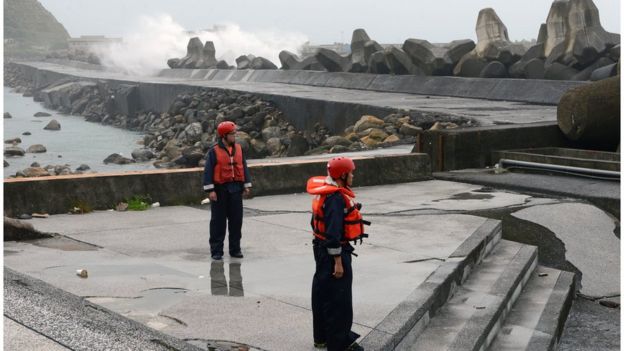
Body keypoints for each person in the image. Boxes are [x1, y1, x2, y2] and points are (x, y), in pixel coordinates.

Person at [307, 157, 369, 351]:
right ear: (342, 175)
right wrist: (338, 262)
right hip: (333, 253)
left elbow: (315, 224)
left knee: (322, 295)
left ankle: (322, 339)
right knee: (339, 300)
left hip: (320, 249)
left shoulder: (325, 192)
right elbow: (333, 234)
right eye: (351, 172)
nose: (353, 175)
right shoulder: (335, 198)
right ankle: (339, 343)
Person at [203, 121, 252, 261]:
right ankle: (216, 251)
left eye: (234, 134)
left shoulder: (238, 149)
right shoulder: (213, 151)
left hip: (236, 188)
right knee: (218, 222)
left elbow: (244, 167)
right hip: (220, 190)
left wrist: (246, 185)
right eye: (232, 134)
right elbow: (208, 171)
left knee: (236, 221)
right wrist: (210, 190)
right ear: (224, 136)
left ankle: (235, 249)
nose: (234, 136)